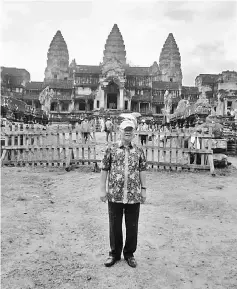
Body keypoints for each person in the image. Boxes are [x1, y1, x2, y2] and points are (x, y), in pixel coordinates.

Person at [100, 119, 147, 268]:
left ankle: (129, 254)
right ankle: (114, 254)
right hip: (115, 194)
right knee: (114, 225)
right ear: (119, 131)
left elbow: (142, 170)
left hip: (133, 194)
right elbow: (104, 169)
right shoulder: (111, 148)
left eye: (130, 129)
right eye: (125, 129)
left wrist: (144, 189)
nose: (128, 131)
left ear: (134, 132)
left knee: (132, 225)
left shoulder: (139, 150)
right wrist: (102, 189)